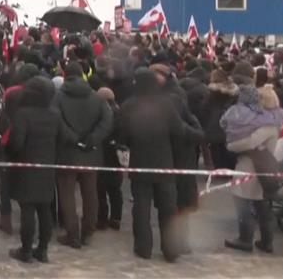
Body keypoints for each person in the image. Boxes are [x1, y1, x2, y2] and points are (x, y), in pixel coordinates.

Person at [117, 68, 200, 262]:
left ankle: (143, 248)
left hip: (140, 163)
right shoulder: (165, 104)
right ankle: (171, 250)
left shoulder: (129, 105)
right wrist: (196, 135)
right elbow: (179, 130)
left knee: (141, 208)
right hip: (164, 162)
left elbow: (122, 134)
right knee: (168, 208)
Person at [51, 62, 114, 249]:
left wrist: (72, 138)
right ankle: (88, 231)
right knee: (90, 193)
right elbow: (108, 120)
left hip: (66, 152)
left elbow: (56, 119)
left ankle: (73, 234)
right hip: (91, 152)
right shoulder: (96, 97)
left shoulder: (57, 97)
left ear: (65, 74)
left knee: (67, 195)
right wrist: (93, 139)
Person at [220, 82, 283, 253]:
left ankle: (246, 239)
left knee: (244, 203)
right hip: (262, 167)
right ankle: (266, 241)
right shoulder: (274, 121)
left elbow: (249, 142)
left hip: (251, 168)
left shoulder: (267, 124)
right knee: (262, 206)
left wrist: (231, 145)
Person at [6, 76, 61, 264]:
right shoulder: (54, 114)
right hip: (47, 167)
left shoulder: (23, 114)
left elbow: (16, 143)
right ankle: (43, 250)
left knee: (27, 209)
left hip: (26, 167)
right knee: (45, 209)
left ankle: (26, 250)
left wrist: (10, 153)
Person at [95, 86, 124, 231]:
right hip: (115, 158)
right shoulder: (120, 113)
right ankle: (116, 218)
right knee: (115, 191)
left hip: (101, 156)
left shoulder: (100, 114)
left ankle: (102, 219)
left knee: (100, 190)